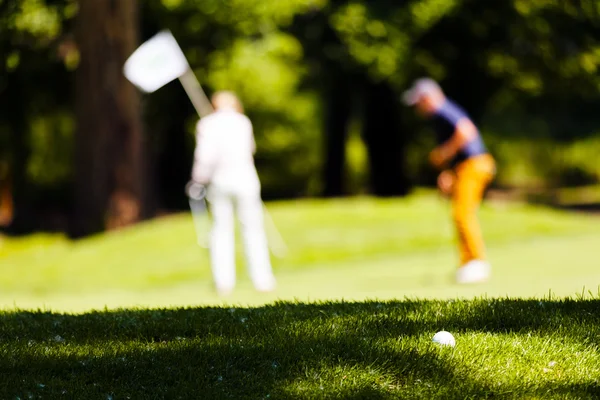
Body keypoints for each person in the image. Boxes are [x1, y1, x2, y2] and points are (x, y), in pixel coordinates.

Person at [402, 78, 496, 284]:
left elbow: (466, 131)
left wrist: (443, 154)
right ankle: (468, 262)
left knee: (463, 213)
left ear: (427, 98)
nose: (417, 108)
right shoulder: (439, 115)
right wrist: (449, 173)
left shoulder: (443, 110)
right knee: (459, 213)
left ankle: (477, 262)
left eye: (418, 102)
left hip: (475, 164)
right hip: (468, 166)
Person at [191, 91, 276, 295]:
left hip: (220, 179)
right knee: (253, 228)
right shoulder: (243, 122)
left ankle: (224, 282)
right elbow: (251, 149)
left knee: (221, 230)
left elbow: (204, 157)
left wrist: (197, 181)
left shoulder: (207, 124)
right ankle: (262, 280)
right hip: (245, 178)